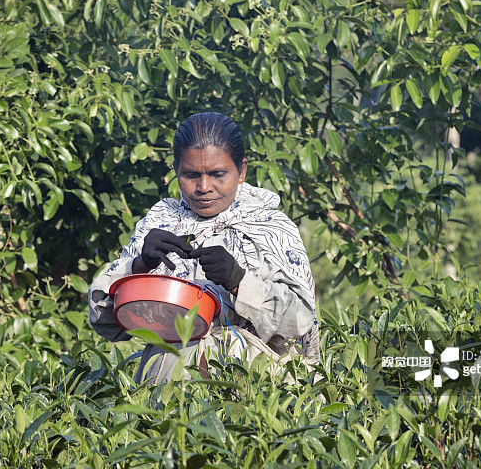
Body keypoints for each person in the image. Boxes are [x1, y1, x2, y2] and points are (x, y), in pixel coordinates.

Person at [88, 112, 318, 384]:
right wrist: (139, 266)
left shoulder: (271, 227)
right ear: (176, 169)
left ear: (241, 170)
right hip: (166, 382)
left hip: (254, 384)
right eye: (190, 175)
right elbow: (104, 319)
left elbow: (300, 323)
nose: (204, 187)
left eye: (218, 174)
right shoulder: (161, 221)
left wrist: (238, 281)